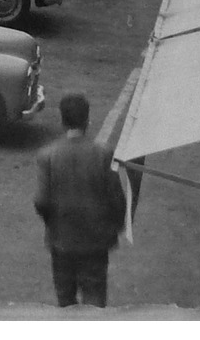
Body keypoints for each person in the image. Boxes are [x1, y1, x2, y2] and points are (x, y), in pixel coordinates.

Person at [34, 93, 127, 308]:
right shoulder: (103, 153)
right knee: (94, 300)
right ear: (87, 120)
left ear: (62, 121)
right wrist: (116, 226)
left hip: (62, 241)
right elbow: (116, 197)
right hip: (95, 242)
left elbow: (41, 201)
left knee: (65, 300)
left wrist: (53, 224)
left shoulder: (47, 155)